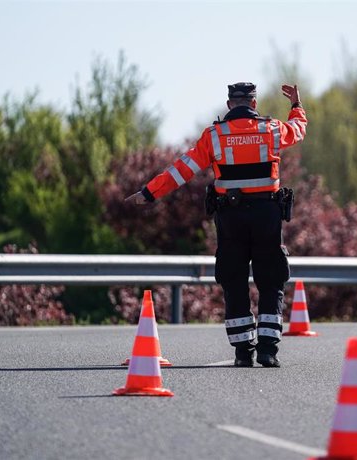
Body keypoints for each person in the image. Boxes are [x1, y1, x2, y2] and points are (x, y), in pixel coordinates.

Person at [126, 82, 307, 367]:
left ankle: (242, 351)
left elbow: (182, 169)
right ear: (254, 104)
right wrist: (296, 105)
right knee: (271, 280)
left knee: (233, 280)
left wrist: (149, 193)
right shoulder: (271, 129)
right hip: (266, 216)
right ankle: (268, 350)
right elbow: (298, 130)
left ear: (228, 105)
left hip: (231, 218)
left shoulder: (215, 135)